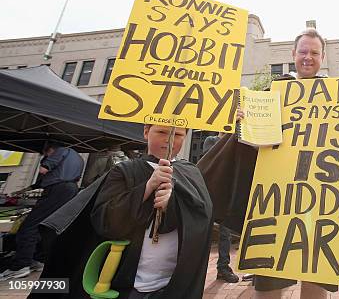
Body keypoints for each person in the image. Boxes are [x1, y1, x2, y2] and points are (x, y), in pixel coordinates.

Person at [208, 28, 337, 298]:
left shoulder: (338, 95)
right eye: (303, 51)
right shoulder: (274, 91)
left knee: (315, 280)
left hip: (320, 201)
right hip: (275, 200)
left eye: (314, 52)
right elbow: (252, 142)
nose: (308, 57)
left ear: (322, 57)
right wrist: (245, 122)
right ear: (293, 54)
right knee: (270, 281)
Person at [31, 126, 214, 299]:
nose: (169, 139)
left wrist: (172, 205)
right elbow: (105, 220)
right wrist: (147, 187)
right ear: (146, 131)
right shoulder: (123, 171)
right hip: (128, 281)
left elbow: (202, 216)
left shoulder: (191, 172)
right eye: (161, 131)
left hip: (175, 283)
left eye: (178, 135)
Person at [0, 141, 84, 281]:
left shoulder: (60, 151)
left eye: (45, 154)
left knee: (28, 227)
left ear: (49, 149)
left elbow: (44, 170)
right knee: (47, 226)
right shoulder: (77, 157)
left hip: (57, 189)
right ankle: (37, 259)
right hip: (70, 190)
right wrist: (20, 192)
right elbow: (39, 183)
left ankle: (20, 265)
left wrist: (45, 162)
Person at [202, 133, 239, 284]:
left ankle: (223, 268)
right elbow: (215, 159)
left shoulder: (237, 142)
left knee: (225, 235)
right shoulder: (211, 140)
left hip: (225, 198)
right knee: (202, 235)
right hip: (208, 196)